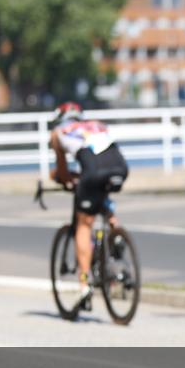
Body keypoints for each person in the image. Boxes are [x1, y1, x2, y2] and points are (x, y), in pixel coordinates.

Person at [49, 102, 129, 307]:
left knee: (84, 224)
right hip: (119, 167)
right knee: (101, 195)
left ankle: (84, 284)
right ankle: (116, 234)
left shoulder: (58, 132)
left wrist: (62, 178)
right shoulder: (97, 125)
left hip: (93, 171)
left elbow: (64, 171)